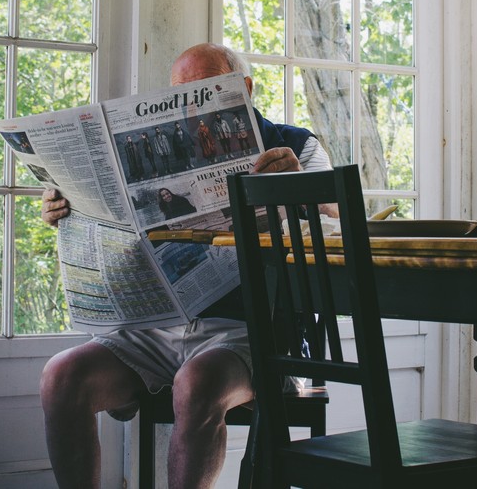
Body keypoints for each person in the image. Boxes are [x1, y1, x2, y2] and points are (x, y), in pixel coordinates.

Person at [39, 43, 334, 489]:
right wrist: (64, 206)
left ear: (245, 89)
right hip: (153, 328)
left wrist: (299, 188)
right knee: (61, 377)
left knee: (196, 384)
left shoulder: (294, 145)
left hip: (247, 332)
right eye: (181, 94)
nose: (192, 106)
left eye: (206, 90)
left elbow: (338, 228)